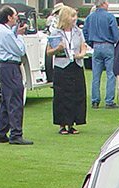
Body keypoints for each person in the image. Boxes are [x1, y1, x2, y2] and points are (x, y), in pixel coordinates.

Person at [0, 5, 32, 144]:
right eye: (15, 15)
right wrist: (19, 36)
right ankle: (16, 134)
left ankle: (1, 132)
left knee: (6, 100)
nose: (17, 18)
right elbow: (19, 50)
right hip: (11, 67)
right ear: (8, 17)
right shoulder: (7, 33)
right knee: (15, 99)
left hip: (3, 67)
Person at [47, 5, 86, 134]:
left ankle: (74, 123)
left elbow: (83, 47)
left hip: (75, 65)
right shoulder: (56, 33)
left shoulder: (78, 32)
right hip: (62, 67)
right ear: (65, 17)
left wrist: (80, 55)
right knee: (62, 95)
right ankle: (63, 124)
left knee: (77, 94)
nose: (75, 19)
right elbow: (49, 52)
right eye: (72, 16)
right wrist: (57, 48)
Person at [83, 0, 119, 108]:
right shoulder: (110, 17)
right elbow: (116, 34)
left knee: (96, 75)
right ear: (103, 3)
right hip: (108, 45)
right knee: (111, 74)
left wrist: (91, 43)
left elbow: (85, 31)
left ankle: (95, 100)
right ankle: (109, 101)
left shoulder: (90, 17)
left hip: (96, 45)